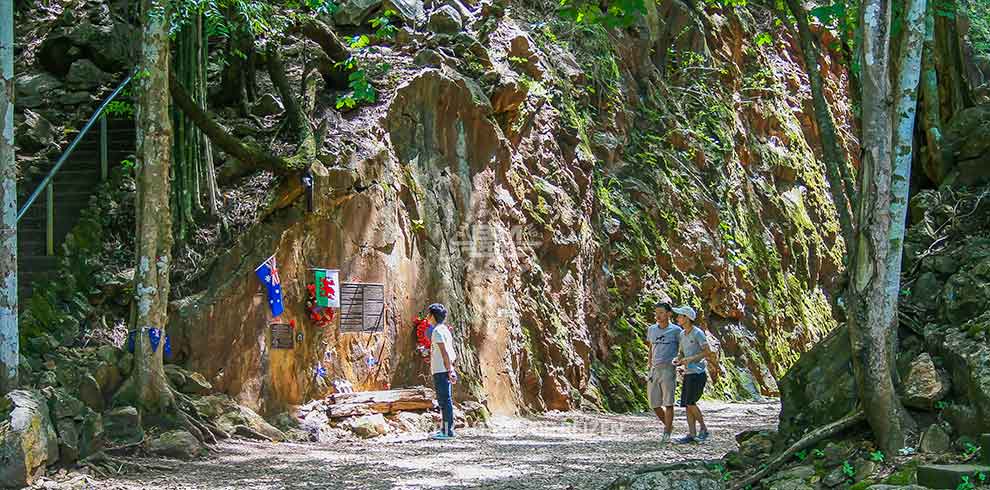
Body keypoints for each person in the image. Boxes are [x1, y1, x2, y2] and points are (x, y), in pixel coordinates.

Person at [671, 305, 713, 444]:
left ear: (687, 318)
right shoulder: (682, 334)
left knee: (691, 403)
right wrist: (678, 359)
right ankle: (692, 434)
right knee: (687, 404)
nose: (677, 318)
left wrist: (691, 359)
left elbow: (707, 351)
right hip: (688, 373)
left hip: (698, 373)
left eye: (680, 316)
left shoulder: (698, 333)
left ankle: (704, 429)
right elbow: (681, 353)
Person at [646, 302, 682, 445]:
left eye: (661, 312)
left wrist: (679, 362)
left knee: (668, 402)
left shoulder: (676, 331)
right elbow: (651, 347)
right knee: (654, 403)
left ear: (669, 314)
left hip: (668, 369)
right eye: (656, 313)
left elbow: (682, 347)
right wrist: (649, 365)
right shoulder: (652, 329)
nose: (658, 316)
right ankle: (669, 425)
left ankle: (666, 432)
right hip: (654, 369)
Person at [427, 303, 458, 440]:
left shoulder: (437, 331)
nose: (427, 317)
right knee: (446, 400)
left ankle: (447, 431)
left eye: (429, 314)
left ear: (433, 316)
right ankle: (447, 430)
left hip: (441, 370)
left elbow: (445, 352)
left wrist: (449, 369)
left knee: (444, 401)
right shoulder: (444, 329)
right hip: (444, 368)